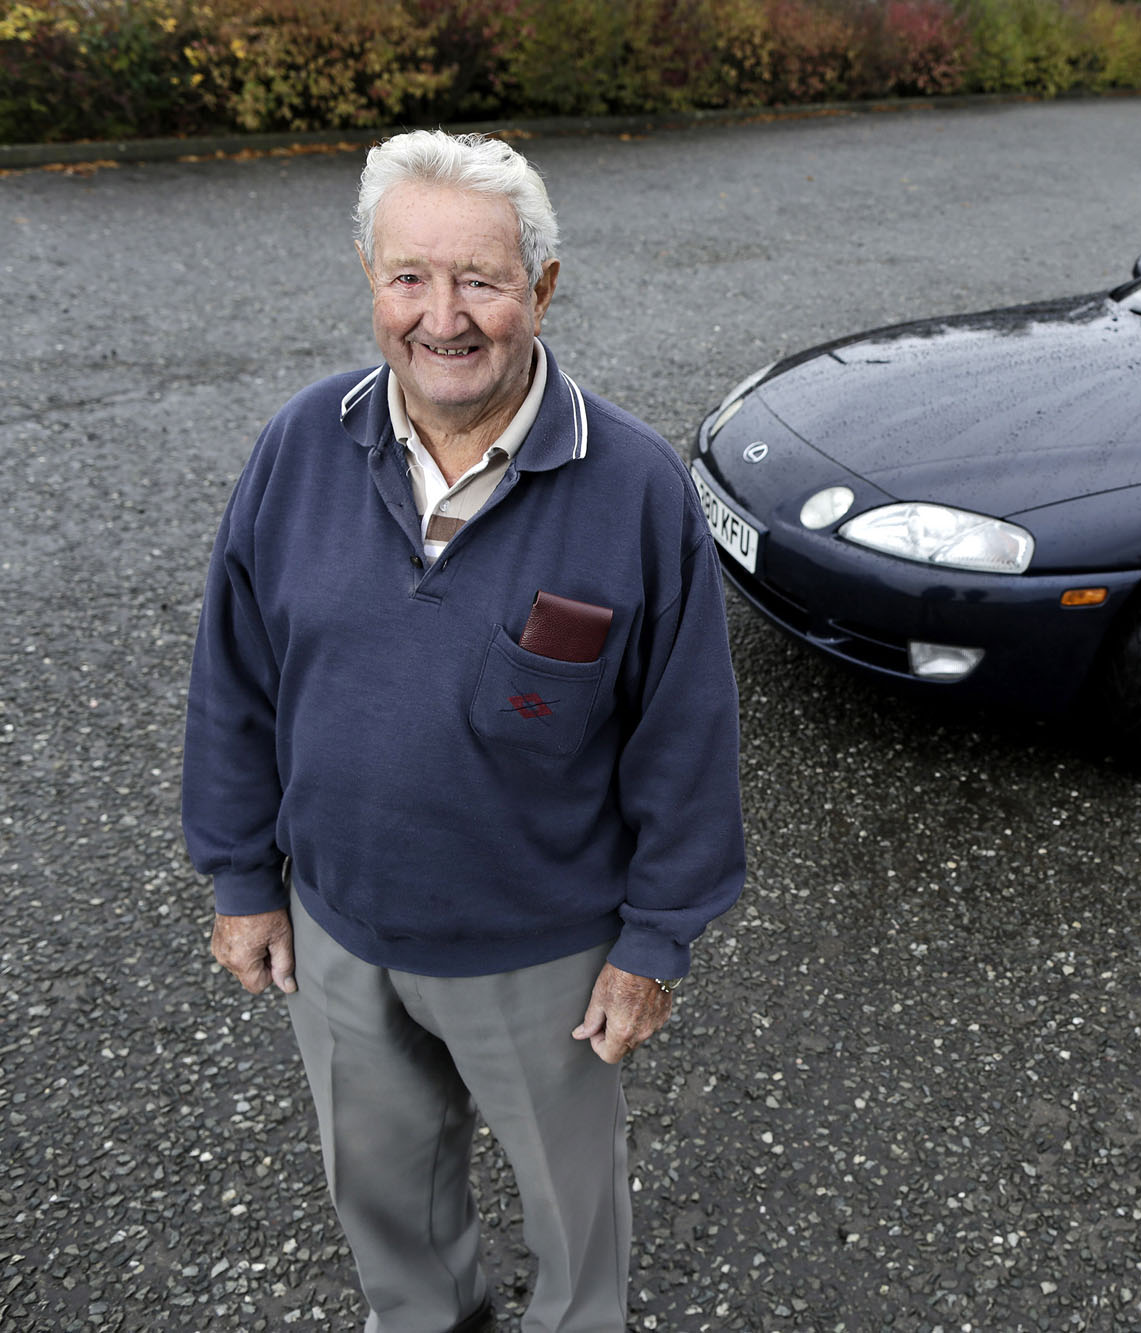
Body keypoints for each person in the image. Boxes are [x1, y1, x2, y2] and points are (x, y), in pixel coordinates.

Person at [182, 129, 746, 1333]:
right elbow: (234, 677)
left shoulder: (635, 485)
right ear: (367, 278)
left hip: (541, 955)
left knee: (573, 1219)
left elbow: (686, 736)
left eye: (481, 280)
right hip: (336, 931)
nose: (444, 317)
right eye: (409, 277)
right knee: (384, 1204)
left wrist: (654, 942)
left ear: (541, 288)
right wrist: (242, 877)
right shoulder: (298, 444)